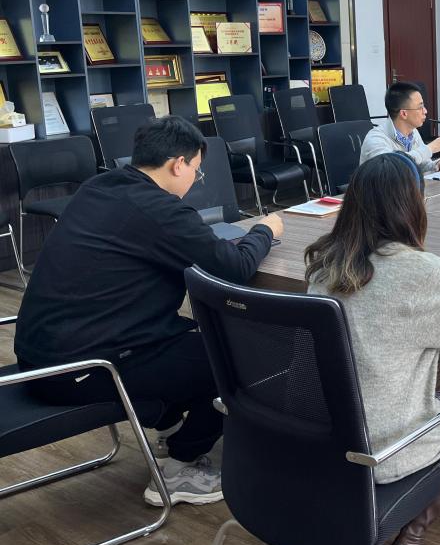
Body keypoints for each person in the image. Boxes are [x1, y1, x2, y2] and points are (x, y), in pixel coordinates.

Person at [14, 116, 284, 506]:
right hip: (81, 368)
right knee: (240, 357)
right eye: (197, 171)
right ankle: (180, 467)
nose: (195, 179)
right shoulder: (159, 209)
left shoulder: (98, 188)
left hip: (40, 356)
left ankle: (168, 426)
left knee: (192, 335)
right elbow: (235, 267)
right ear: (178, 164)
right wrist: (266, 230)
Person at [305, 152, 440, 545]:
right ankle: (409, 540)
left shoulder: (324, 265)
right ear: (413, 207)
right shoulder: (417, 271)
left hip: (320, 433)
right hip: (380, 446)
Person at [360, 81, 440, 173]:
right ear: (404, 114)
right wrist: (430, 148)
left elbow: (421, 164)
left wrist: (437, 164)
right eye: (420, 107)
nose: (425, 111)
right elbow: (391, 169)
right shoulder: (375, 139)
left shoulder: (413, 131)